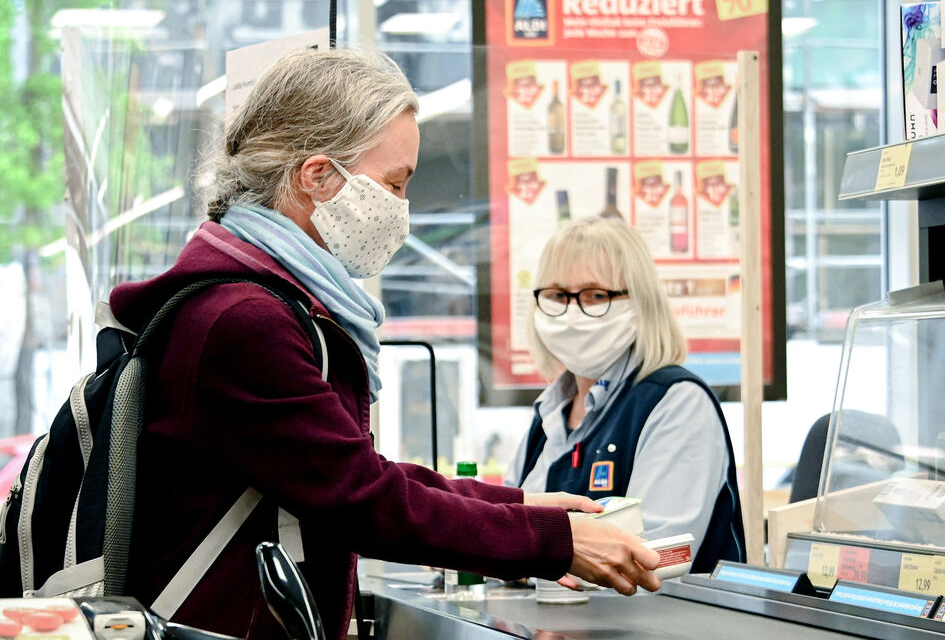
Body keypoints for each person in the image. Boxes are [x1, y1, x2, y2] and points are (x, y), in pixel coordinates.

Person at [110, 50, 660, 639]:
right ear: (316, 176)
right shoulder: (244, 319)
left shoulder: (254, 299)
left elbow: (350, 470)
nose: (402, 210)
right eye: (395, 183)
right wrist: (551, 543)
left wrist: (520, 506)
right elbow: (362, 497)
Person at [504, 216, 746, 573]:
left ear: (640, 302)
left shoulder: (676, 403)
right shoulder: (550, 414)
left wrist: (526, 560)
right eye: (557, 295)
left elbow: (650, 559)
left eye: (595, 295)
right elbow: (507, 526)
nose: (572, 313)